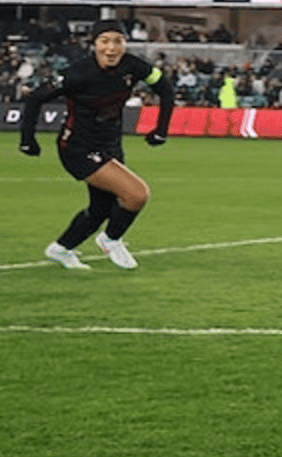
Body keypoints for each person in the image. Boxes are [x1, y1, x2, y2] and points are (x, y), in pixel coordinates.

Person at [18, 20, 175, 270]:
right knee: (136, 194)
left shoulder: (135, 66)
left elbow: (166, 90)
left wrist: (161, 130)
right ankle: (111, 239)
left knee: (101, 209)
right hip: (78, 147)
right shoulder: (77, 73)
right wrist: (28, 140)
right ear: (94, 44)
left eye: (117, 41)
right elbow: (36, 98)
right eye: (104, 41)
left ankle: (60, 249)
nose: (111, 48)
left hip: (110, 144)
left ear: (125, 43)